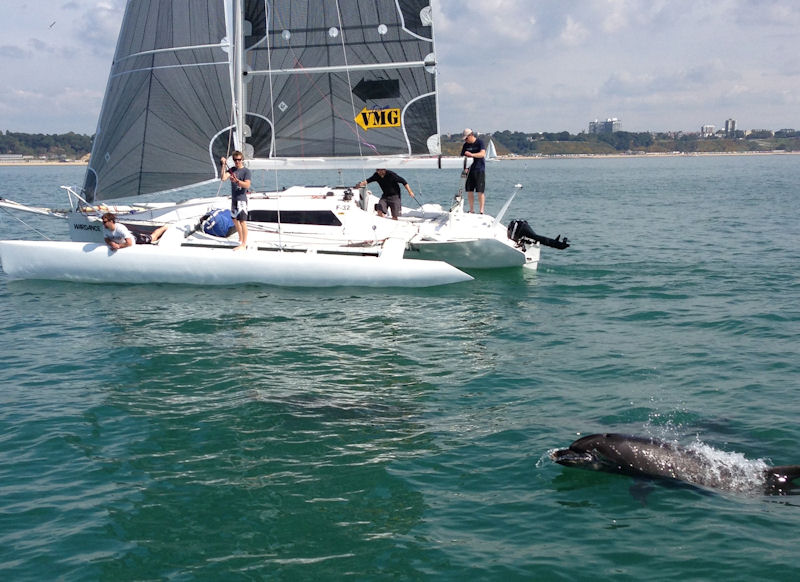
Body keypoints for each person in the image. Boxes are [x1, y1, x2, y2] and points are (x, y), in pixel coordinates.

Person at [220, 150, 252, 250]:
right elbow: (223, 178)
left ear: (242, 159)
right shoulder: (232, 170)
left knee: (242, 221)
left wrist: (237, 181)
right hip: (234, 199)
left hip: (241, 199)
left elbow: (247, 185)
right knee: (234, 219)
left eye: (238, 160)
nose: (237, 162)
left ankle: (243, 243)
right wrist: (224, 165)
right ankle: (240, 237)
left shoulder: (246, 171)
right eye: (235, 160)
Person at [460, 128, 486, 214]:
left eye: (467, 138)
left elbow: (482, 154)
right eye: (465, 139)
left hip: (479, 169)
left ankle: (481, 210)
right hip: (468, 170)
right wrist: (465, 168)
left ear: (471, 135)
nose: (466, 140)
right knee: (469, 190)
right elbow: (462, 157)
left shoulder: (480, 142)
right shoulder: (465, 145)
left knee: (480, 191)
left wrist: (472, 155)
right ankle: (471, 209)